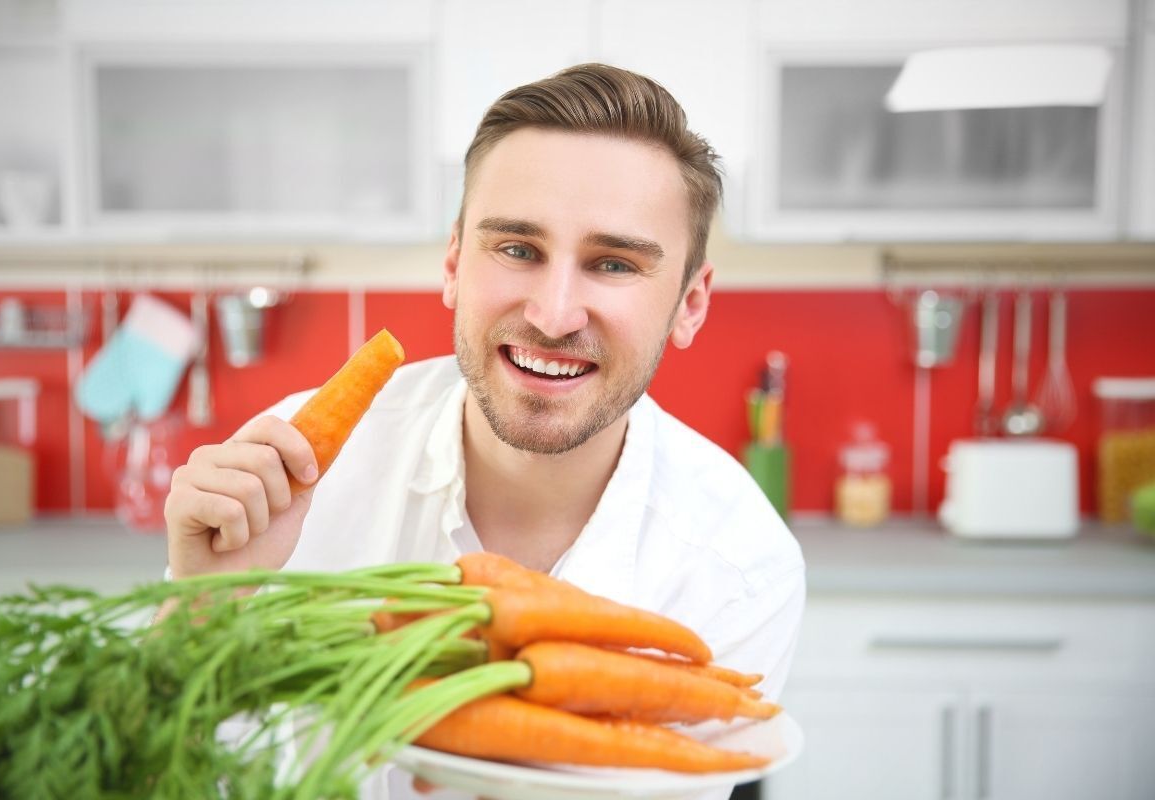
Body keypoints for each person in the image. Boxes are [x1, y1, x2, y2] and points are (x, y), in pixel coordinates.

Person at [164, 63, 805, 799]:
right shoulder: (288, 470)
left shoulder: (738, 568)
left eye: (613, 263)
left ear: (689, 305)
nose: (554, 313)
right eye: (518, 250)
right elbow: (159, 773)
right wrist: (200, 610)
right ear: (453, 264)